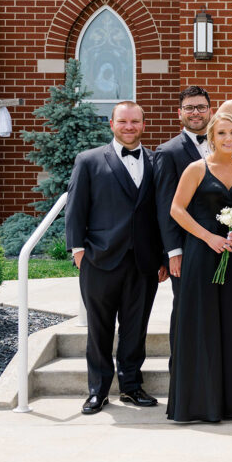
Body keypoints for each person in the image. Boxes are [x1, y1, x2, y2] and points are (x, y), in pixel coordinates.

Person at [65, 101, 165, 414]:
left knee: (136, 329)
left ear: (143, 125)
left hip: (144, 262)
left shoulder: (156, 161)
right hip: (99, 259)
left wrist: (164, 256)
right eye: (123, 121)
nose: (129, 127)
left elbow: (163, 213)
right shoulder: (89, 160)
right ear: (112, 124)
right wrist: (78, 251)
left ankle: (131, 387)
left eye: (135, 121)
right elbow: (75, 208)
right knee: (99, 329)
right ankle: (98, 391)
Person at [166, 113, 232, 422]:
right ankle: (199, 404)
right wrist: (207, 237)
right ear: (212, 136)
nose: (228, 139)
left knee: (231, 324)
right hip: (201, 254)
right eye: (222, 133)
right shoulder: (196, 169)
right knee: (201, 324)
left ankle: (230, 403)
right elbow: (176, 209)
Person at [153, 86, 211, 372]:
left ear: (210, 110)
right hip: (187, 247)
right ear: (180, 113)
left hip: (223, 244)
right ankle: (180, 373)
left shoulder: (227, 144)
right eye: (189, 108)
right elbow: (165, 206)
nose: (195, 113)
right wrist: (173, 252)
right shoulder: (168, 152)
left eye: (201, 107)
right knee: (186, 310)